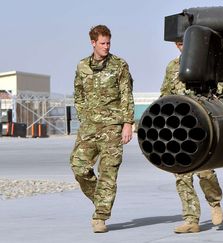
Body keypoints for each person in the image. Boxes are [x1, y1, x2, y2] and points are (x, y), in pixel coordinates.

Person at [70, 25, 134, 233]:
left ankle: (100, 217)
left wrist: (127, 124)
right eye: (102, 43)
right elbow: (78, 94)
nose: (106, 47)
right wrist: (83, 117)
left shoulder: (119, 65)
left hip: (113, 128)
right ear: (93, 43)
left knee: (108, 173)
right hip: (89, 127)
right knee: (78, 167)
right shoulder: (82, 67)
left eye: (108, 43)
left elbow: (126, 96)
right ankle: (101, 199)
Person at [160, 41, 223, 234]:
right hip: (178, 127)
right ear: (176, 45)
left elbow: (219, 90)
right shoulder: (172, 66)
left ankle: (214, 203)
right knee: (181, 175)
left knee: (205, 172)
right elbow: (165, 93)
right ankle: (191, 219)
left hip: (201, 126)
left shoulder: (206, 64)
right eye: (179, 43)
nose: (182, 46)